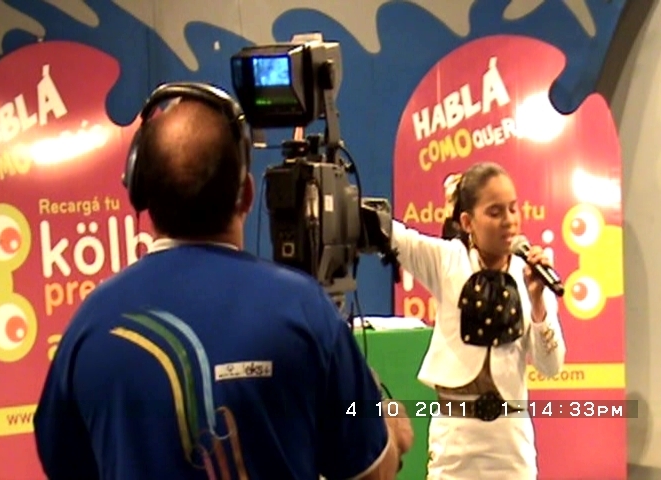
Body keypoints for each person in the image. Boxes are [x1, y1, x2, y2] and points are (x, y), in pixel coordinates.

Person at [33, 84, 413, 480]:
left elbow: (64, 462)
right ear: (246, 194)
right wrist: (394, 434)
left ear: (142, 192)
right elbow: (367, 473)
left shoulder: (90, 324)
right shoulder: (304, 309)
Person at [391, 161, 566, 479]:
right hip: (454, 446)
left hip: (511, 448)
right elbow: (394, 235)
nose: (509, 221)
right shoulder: (447, 261)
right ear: (468, 222)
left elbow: (551, 366)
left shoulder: (530, 274)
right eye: (495, 212)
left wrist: (538, 301)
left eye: (513, 209)